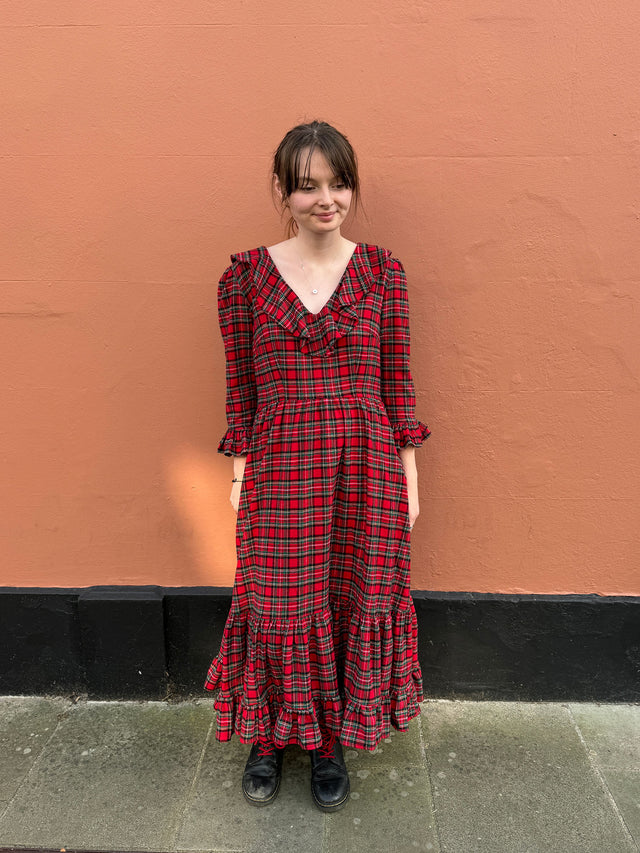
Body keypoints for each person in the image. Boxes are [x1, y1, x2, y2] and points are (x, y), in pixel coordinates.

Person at [204, 120, 430, 812]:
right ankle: (270, 737)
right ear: (283, 190)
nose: (325, 199)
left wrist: (410, 482)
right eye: (308, 186)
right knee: (276, 605)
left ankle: (328, 740)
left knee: (349, 596)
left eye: (337, 183)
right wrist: (239, 476)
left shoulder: (382, 274)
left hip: (366, 469)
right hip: (278, 466)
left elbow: (398, 387)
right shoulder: (244, 279)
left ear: (352, 186)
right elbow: (240, 389)